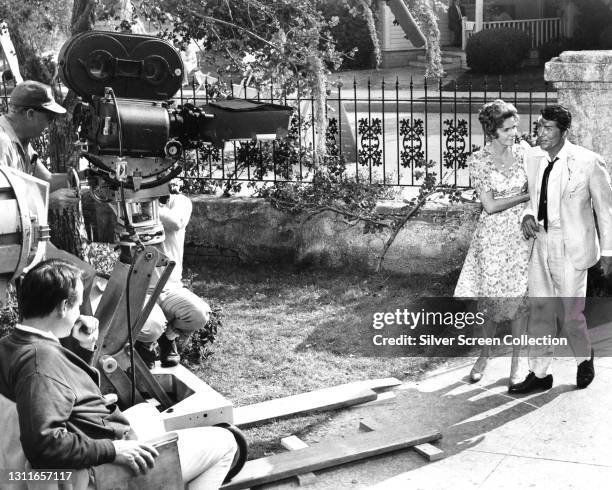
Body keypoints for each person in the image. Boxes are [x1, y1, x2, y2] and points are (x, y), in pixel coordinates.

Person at [0, 259, 236, 489]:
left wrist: (86, 349)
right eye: (78, 305)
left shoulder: (14, 345)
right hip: (97, 472)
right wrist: (114, 450)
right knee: (226, 443)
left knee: (146, 411)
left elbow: (62, 389)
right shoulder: (40, 363)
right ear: (63, 307)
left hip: (90, 448)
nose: (80, 313)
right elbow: (43, 446)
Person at [509, 105, 612, 394]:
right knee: (540, 310)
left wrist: (608, 253)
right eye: (539, 126)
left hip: (572, 245)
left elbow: (606, 211)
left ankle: (584, 357)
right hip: (540, 241)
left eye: (547, 128)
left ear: (564, 131)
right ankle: (540, 373)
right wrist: (527, 216)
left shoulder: (588, 162)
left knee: (569, 314)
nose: (539, 132)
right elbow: (530, 198)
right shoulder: (532, 158)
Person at [455, 100, 531, 388]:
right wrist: (525, 197)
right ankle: (483, 357)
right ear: (492, 131)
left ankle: (516, 363)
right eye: (508, 129)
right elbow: (489, 205)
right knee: (490, 302)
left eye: (516, 127)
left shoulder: (525, 152)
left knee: (520, 302)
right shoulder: (479, 160)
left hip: (523, 234)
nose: (515, 133)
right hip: (493, 237)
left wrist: (529, 208)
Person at [0, 80, 95, 309]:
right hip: (10, 246)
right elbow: (4, 211)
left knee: (83, 276)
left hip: (25, 242)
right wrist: (49, 203)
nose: (50, 124)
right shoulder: (3, 143)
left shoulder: (21, 141)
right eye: (49, 117)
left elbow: (48, 180)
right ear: (31, 114)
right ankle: (70, 343)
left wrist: (88, 176)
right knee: (78, 278)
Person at [135, 180, 212, 368]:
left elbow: (176, 223)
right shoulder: (127, 203)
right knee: (151, 327)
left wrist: (145, 203)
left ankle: (167, 337)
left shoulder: (180, 201)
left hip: (171, 287)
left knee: (199, 315)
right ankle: (143, 343)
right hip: (140, 290)